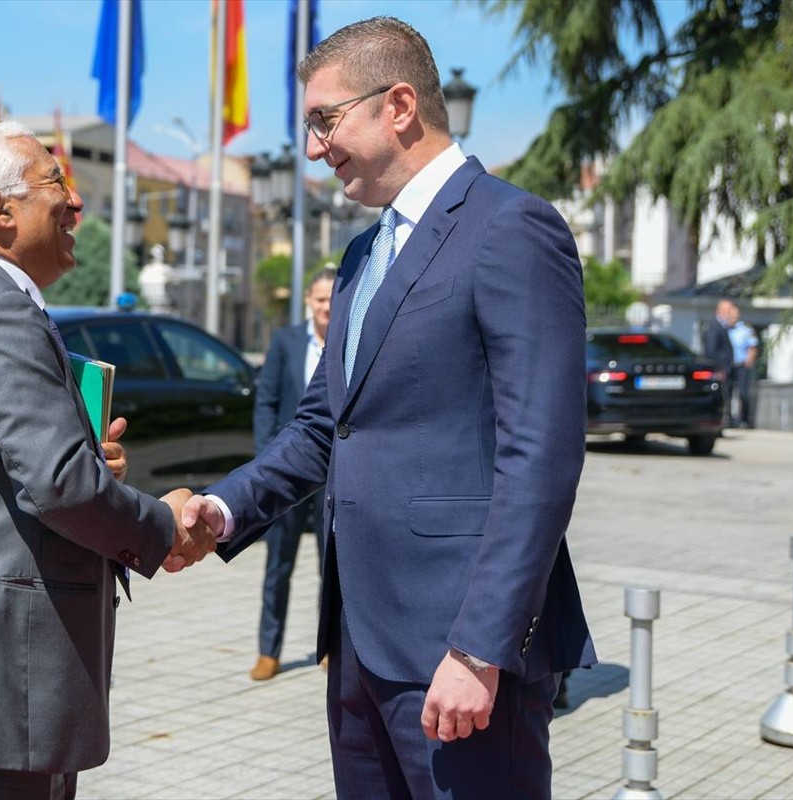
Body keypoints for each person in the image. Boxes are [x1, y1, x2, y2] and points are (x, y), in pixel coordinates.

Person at [181, 17, 595, 798]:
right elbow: (322, 427)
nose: (312, 147)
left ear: (398, 105)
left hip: (459, 657)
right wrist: (221, 510)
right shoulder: (364, 252)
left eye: (323, 120)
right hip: (361, 650)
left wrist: (480, 648)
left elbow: (541, 455)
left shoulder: (511, 227)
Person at [0, 121, 212, 800]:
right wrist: (162, 524)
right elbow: (58, 486)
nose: (75, 203)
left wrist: (85, 463)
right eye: (54, 181)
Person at [249, 268, 336, 681]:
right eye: (321, 299)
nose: (327, 307)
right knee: (278, 564)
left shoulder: (348, 341)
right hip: (286, 472)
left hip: (333, 476)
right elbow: (266, 401)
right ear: (309, 300)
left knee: (331, 566)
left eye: (333, 300)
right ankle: (269, 650)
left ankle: (330, 647)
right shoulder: (285, 342)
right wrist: (268, 458)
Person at [703, 299, 736, 425]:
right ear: (720, 311)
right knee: (720, 398)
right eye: (728, 310)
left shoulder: (723, 326)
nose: (730, 313)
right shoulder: (714, 327)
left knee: (726, 396)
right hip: (719, 371)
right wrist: (717, 369)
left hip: (725, 369)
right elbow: (711, 351)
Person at [727, 303, 759, 428]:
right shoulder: (725, 330)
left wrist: (749, 360)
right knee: (727, 393)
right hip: (728, 365)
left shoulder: (746, 330)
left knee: (743, 393)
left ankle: (744, 419)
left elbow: (753, 347)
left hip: (741, 365)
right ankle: (728, 419)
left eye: (735, 315)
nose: (733, 318)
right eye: (730, 315)